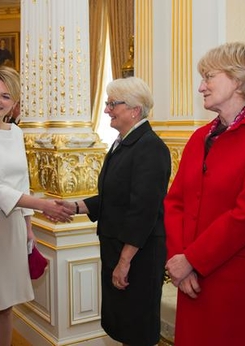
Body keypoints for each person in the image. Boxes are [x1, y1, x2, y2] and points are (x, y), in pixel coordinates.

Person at [164, 42, 245, 345]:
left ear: (239, 80)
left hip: (234, 276)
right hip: (189, 277)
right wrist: (179, 264)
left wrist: (191, 259)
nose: (201, 86)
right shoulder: (198, 137)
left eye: (209, 77)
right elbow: (174, 202)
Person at [0, 66, 74, 346]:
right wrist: (43, 204)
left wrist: (28, 226)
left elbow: (22, 181)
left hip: (13, 225)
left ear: (15, 102)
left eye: (5, 96)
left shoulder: (16, 133)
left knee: (7, 305)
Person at [68, 77, 171, 345]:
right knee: (123, 325)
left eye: (112, 104)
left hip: (139, 256)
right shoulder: (123, 142)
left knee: (137, 329)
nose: (106, 110)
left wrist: (124, 261)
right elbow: (114, 197)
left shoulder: (150, 148)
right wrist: (77, 206)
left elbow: (143, 211)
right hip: (120, 250)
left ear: (135, 110)